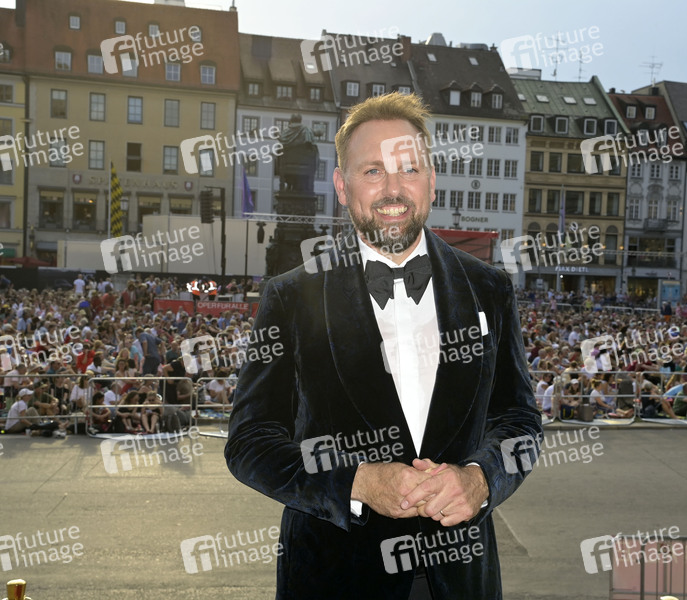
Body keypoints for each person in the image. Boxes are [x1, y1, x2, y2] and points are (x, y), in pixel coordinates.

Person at [226, 93, 542, 600]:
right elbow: (250, 442)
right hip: (334, 581)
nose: (393, 189)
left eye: (408, 169)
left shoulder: (489, 289)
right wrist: (356, 482)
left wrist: (481, 479)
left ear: (431, 180)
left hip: (460, 580)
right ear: (342, 186)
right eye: (372, 171)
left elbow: (519, 420)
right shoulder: (291, 296)